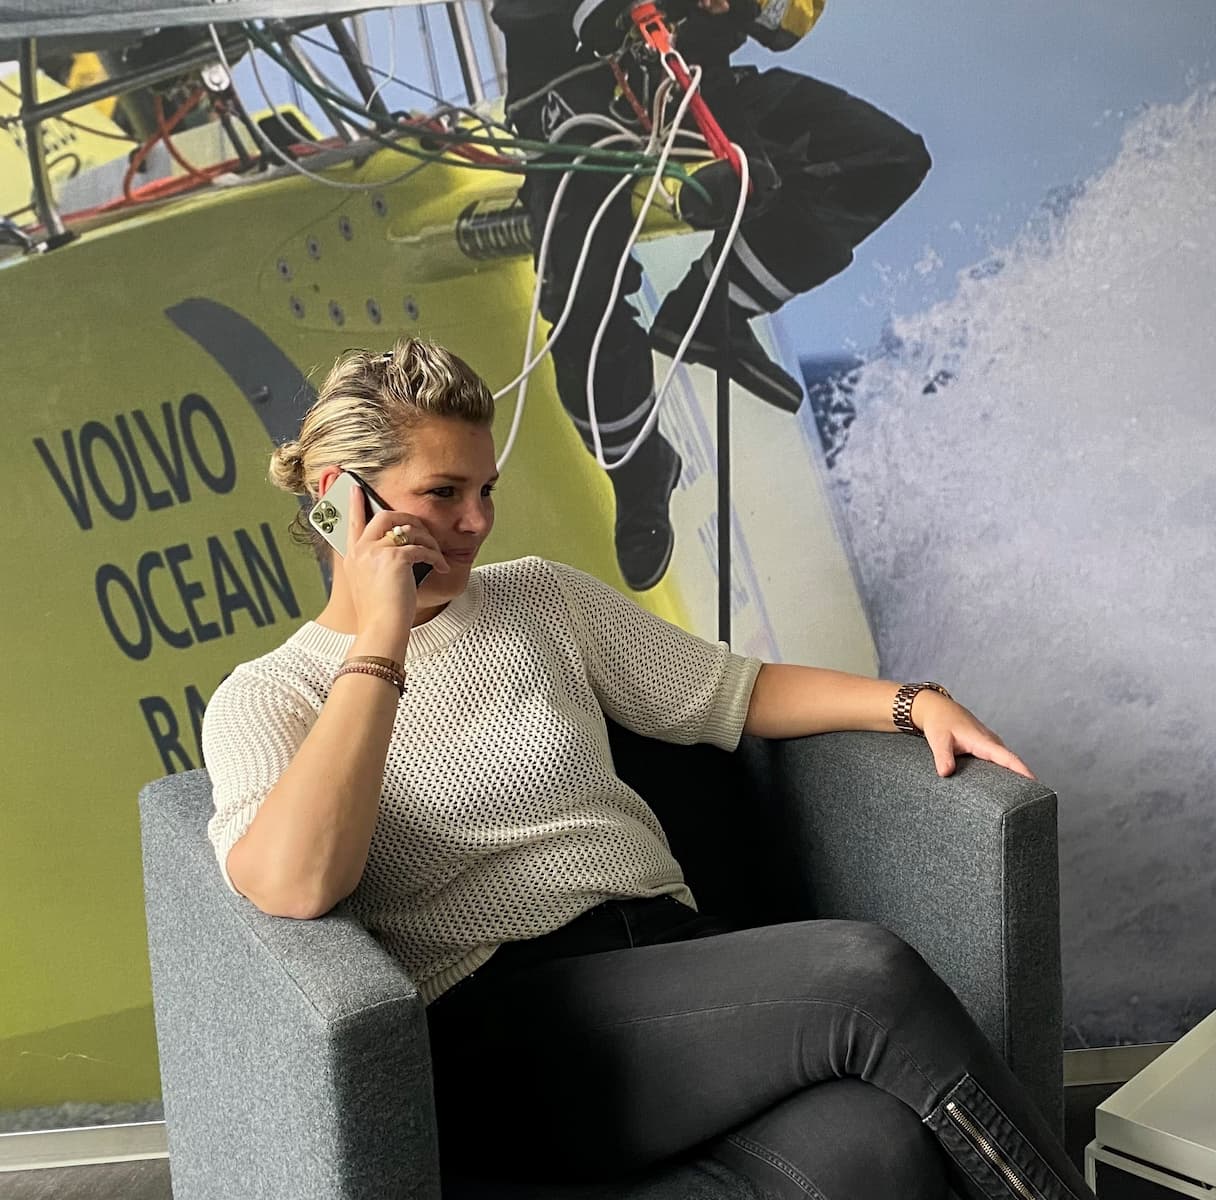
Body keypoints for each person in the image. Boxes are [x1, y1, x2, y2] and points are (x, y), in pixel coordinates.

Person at [202, 337, 1093, 1200]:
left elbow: (729, 693)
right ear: (337, 502)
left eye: (484, 490)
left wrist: (909, 702)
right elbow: (298, 883)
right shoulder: (268, 695)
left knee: (873, 1152)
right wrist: (382, 635)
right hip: (515, 1038)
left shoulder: (539, 596)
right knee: (867, 976)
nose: (474, 521)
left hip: (676, 972)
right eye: (442, 493)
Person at [490, 0, 932, 591]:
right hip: (569, 105)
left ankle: (710, 310)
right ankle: (638, 471)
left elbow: (789, 22)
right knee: (581, 303)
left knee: (885, 159)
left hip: (691, 90)